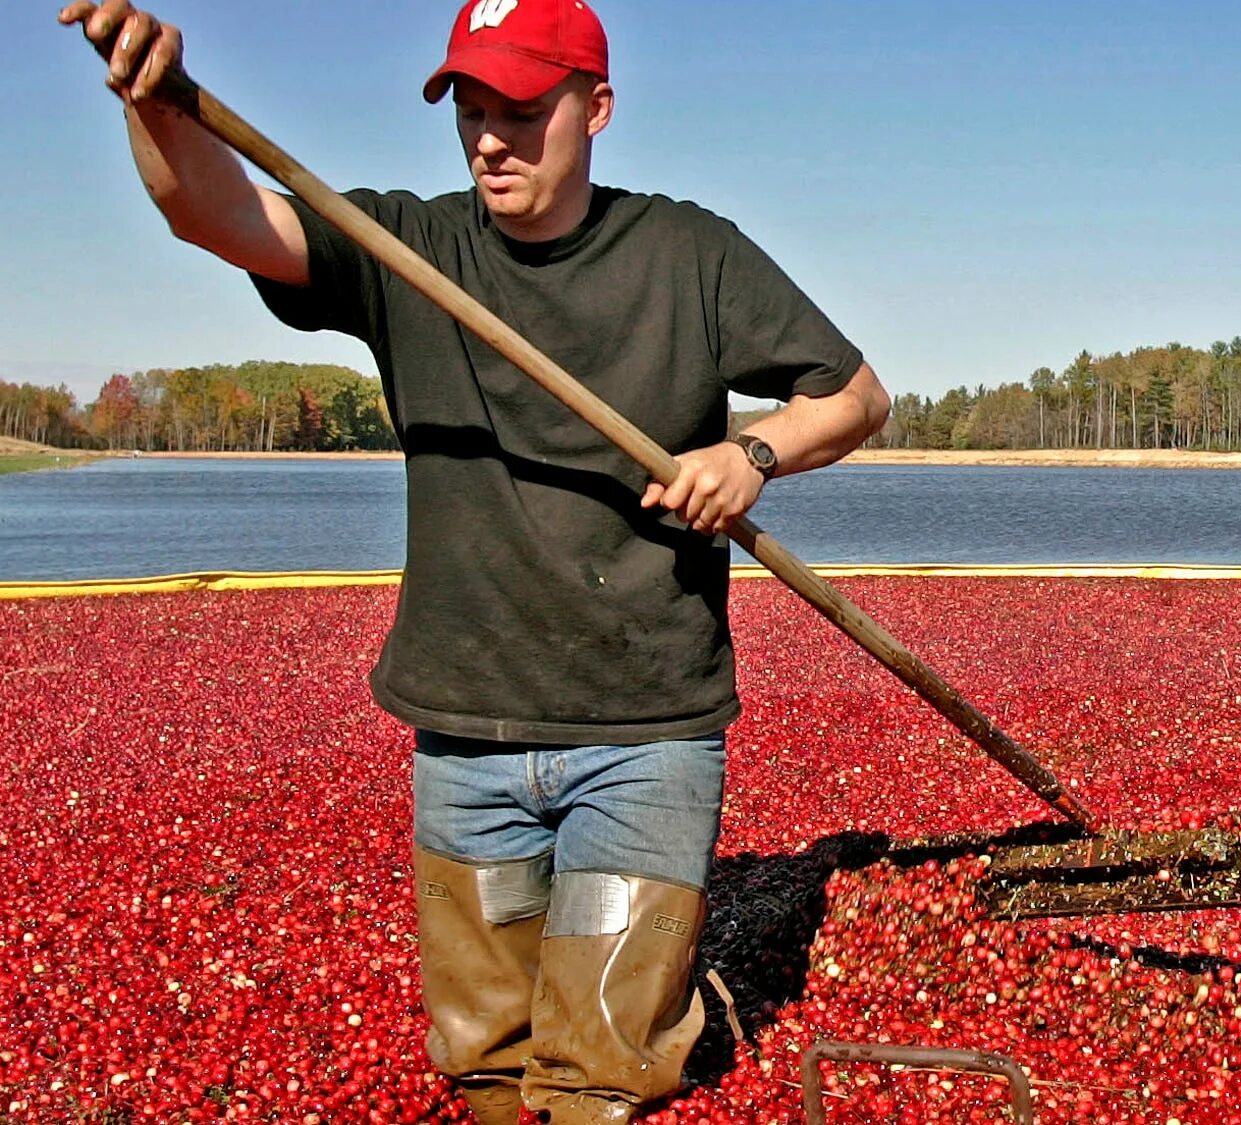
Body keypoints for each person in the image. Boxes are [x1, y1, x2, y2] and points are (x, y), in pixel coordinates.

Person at [62, 0, 890, 1121]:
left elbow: (853, 397)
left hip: (642, 732)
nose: (491, 137)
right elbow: (210, 212)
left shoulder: (689, 254)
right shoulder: (409, 248)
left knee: (604, 1067)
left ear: (595, 109)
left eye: (522, 108)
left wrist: (750, 454)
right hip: (467, 734)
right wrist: (155, 103)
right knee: (488, 1066)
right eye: (470, 109)